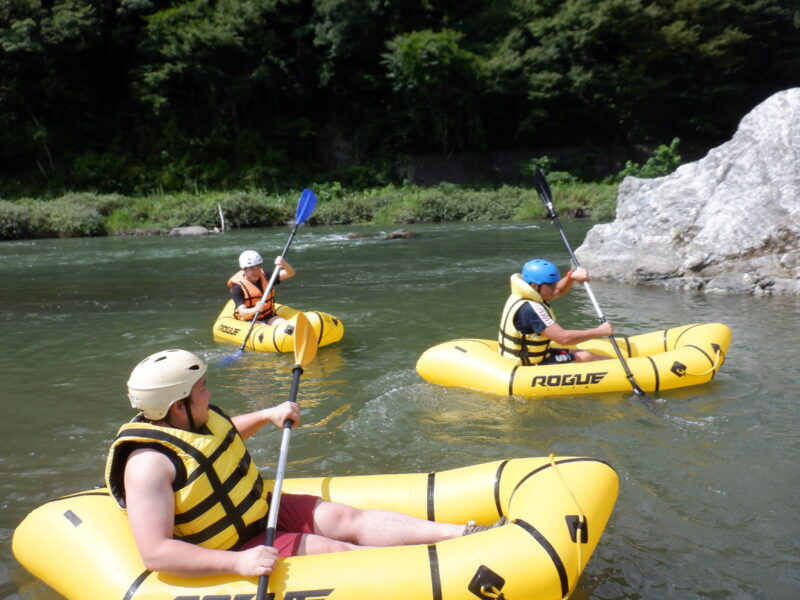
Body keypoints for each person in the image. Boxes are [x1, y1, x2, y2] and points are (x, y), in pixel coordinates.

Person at [105, 349, 499, 578]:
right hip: (235, 543)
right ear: (178, 406)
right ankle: (448, 573)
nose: (210, 393)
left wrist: (267, 414)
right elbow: (155, 553)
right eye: (202, 389)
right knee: (335, 551)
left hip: (260, 508)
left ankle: (462, 535)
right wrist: (238, 562)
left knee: (348, 519)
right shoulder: (147, 467)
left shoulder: (198, 419)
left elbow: (220, 439)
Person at [498, 258, 614, 365]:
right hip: (526, 364)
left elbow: (559, 290)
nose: (555, 288)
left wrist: (571, 276)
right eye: (551, 285)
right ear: (534, 286)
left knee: (580, 352)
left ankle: (623, 365)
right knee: (585, 356)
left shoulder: (523, 294)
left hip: (532, 355)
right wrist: (599, 331)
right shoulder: (530, 309)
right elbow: (563, 338)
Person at [228, 250, 296, 325]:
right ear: (244, 269)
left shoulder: (266, 276)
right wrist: (255, 309)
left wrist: (284, 264)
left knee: (286, 326)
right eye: (252, 269)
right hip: (250, 320)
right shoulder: (237, 287)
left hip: (269, 317)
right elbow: (243, 312)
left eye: (258, 267)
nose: (256, 272)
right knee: (264, 327)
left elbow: (290, 273)